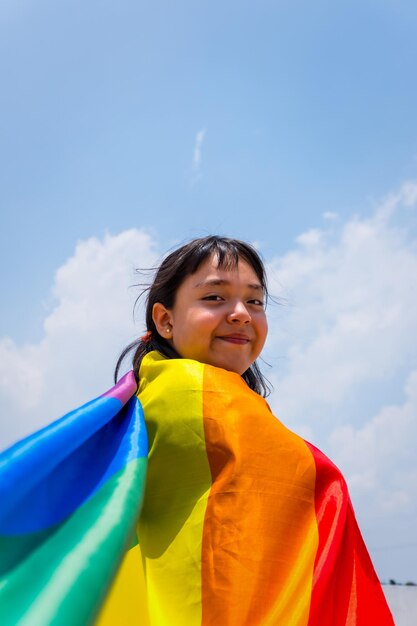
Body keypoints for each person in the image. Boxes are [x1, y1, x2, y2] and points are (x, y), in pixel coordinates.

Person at [99, 235, 394, 625]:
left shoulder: (151, 391)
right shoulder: (187, 393)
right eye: (215, 298)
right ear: (165, 320)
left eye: (255, 301)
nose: (241, 313)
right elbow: (311, 480)